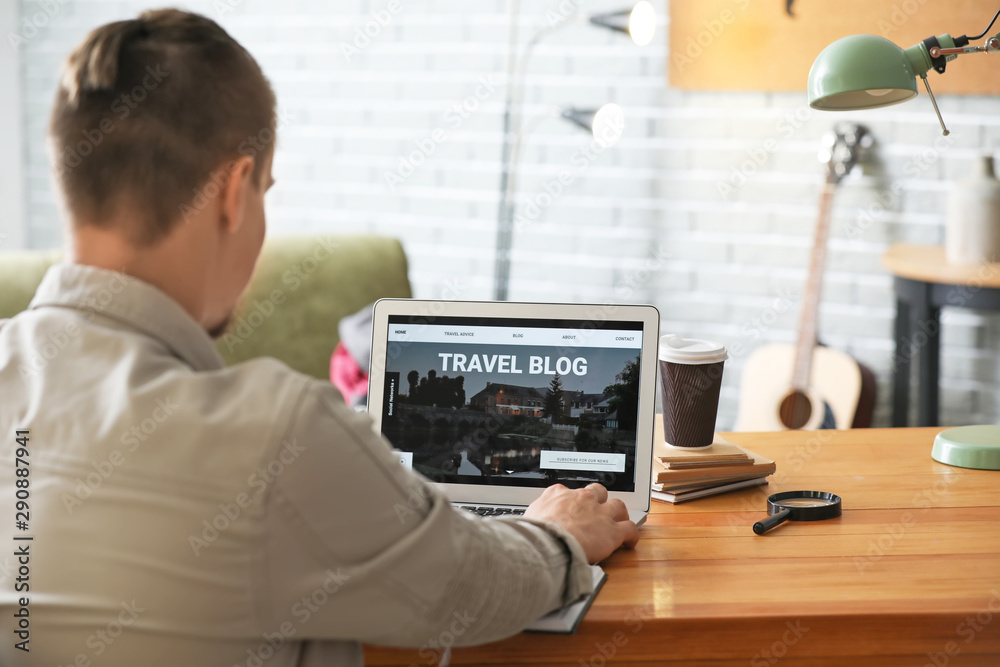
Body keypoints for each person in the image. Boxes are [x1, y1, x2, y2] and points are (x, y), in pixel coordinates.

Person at [0, 9, 639, 666]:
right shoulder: (276, 432)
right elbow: (470, 588)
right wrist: (557, 535)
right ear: (234, 192)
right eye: (267, 191)